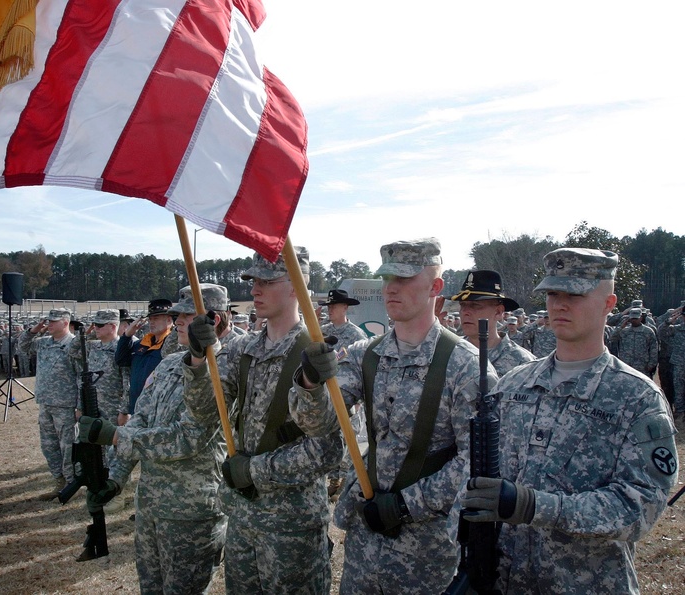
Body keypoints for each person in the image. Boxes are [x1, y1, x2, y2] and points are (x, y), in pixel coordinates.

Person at [460, 248, 678, 592]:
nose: (559, 305)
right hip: (507, 581)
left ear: (609, 303)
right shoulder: (515, 384)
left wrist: (536, 506)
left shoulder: (636, 397)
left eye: (574, 294)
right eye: (552, 294)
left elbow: (641, 507)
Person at [299, 238, 491, 593]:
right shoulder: (364, 355)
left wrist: (406, 505)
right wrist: (311, 381)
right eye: (388, 279)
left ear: (435, 287)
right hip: (365, 541)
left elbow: (476, 463)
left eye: (404, 279)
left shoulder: (464, 366)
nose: (391, 289)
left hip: (425, 549)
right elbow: (319, 423)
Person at [183, 247, 343, 593]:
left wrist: (252, 470)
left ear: (296, 287)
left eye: (267, 281)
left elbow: (329, 450)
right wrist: (197, 360)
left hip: (292, 526)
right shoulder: (243, 349)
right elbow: (204, 413)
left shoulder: (319, 354)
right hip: (242, 518)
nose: (255, 290)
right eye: (253, 281)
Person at [78, 285, 229, 592]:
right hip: (151, 505)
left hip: (191, 512)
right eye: (177, 315)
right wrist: (115, 479)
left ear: (214, 321)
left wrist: (115, 436)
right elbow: (142, 420)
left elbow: (189, 438)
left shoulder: (225, 370)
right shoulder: (170, 363)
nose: (179, 322)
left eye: (188, 315)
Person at [19, 309, 79, 500]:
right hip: (45, 403)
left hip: (66, 404)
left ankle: (71, 483)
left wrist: (80, 406)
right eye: (48, 321)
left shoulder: (75, 344)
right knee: (49, 445)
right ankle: (59, 480)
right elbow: (22, 347)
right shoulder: (44, 343)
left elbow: (81, 377)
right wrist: (33, 330)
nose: (49, 324)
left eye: (53, 321)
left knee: (67, 447)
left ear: (65, 322)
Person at [449, 269, 534, 375]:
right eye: (463, 305)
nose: (465, 312)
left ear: (498, 312)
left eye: (475, 305)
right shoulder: (448, 353)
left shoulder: (523, 363)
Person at [115, 299, 174, 421]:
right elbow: (121, 360)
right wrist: (127, 336)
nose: (152, 322)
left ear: (169, 319)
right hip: (138, 409)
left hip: (160, 411)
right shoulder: (142, 344)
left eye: (156, 318)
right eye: (150, 319)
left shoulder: (173, 346)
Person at [611, 307, 659, 377]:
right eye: (632, 318)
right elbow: (612, 338)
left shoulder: (648, 331)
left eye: (636, 318)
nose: (634, 320)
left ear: (641, 318)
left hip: (642, 366)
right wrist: (621, 327)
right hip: (626, 365)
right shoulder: (624, 331)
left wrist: (652, 364)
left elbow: (653, 348)